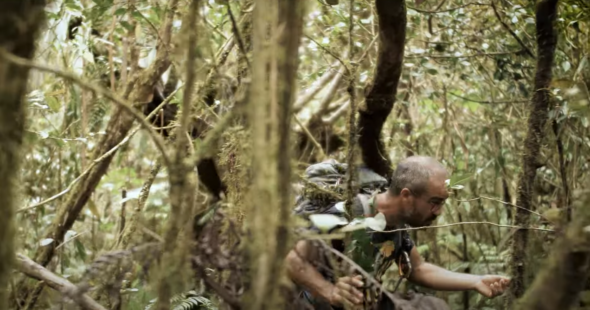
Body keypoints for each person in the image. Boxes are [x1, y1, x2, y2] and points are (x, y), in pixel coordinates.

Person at [286, 155, 510, 309]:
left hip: (364, 302)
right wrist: (331, 291)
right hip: (315, 302)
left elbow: (418, 269)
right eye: (434, 202)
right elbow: (293, 260)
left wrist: (476, 281)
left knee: (433, 306)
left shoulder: (397, 224)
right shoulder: (350, 211)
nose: (438, 211)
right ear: (406, 195)